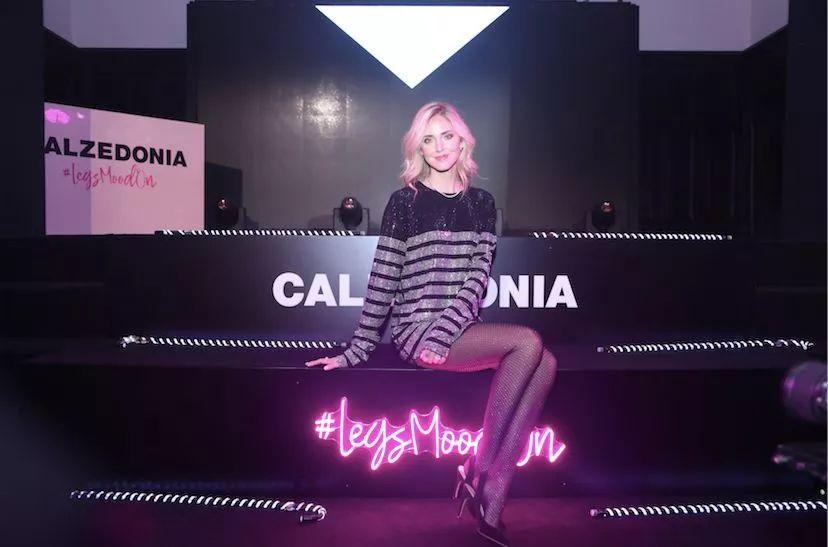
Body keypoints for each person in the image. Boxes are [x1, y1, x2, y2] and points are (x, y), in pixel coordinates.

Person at [306, 102, 557, 547]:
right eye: (428, 139)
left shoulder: (482, 203)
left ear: (463, 142)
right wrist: (356, 351)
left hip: (457, 326)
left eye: (447, 136)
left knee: (547, 362)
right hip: (416, 329)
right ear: (418, 148)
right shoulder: (405, 202)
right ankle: (483, 474)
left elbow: (477, 278)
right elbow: (383, 280)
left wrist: (446, 332)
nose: (439, 147)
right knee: (528, 342)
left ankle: (489, 489)